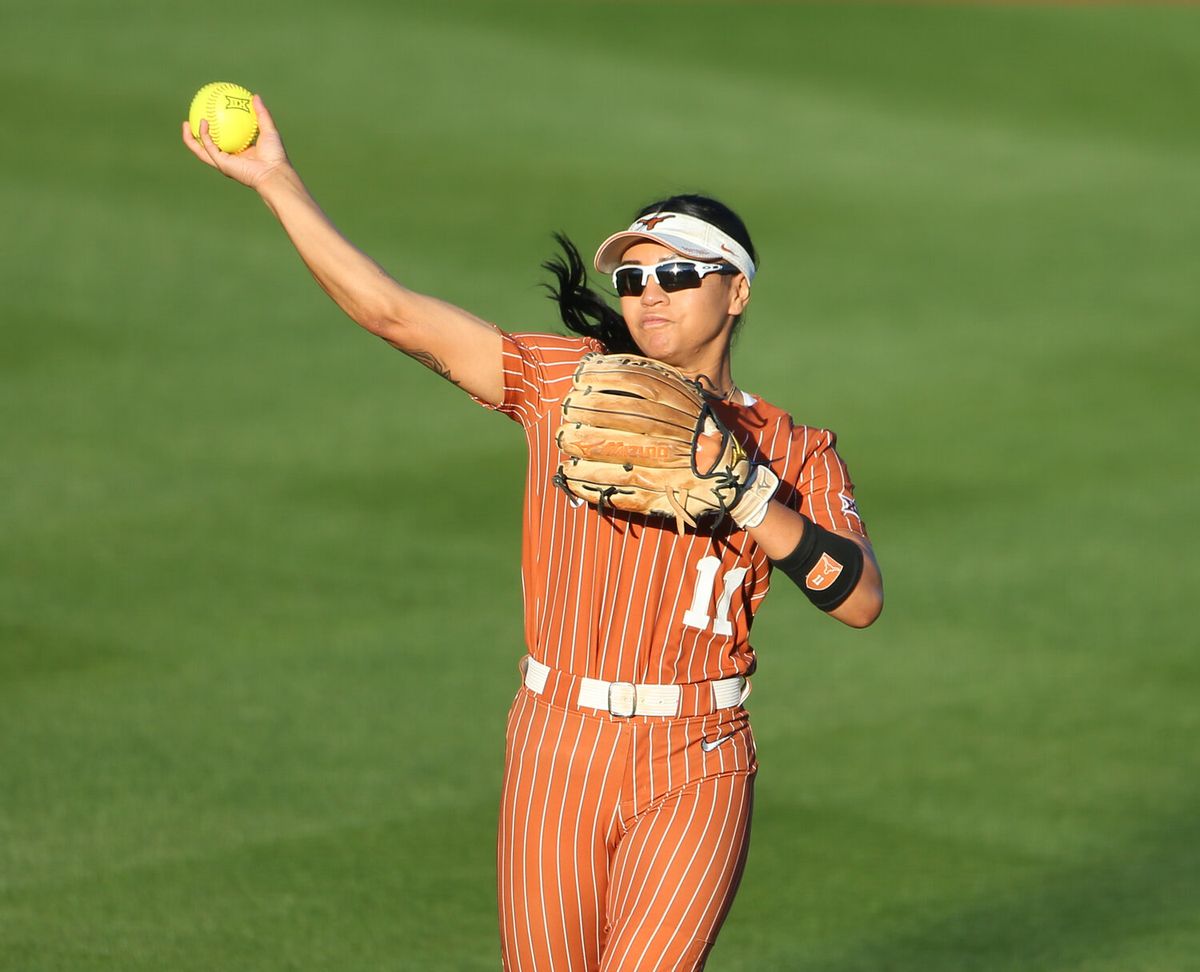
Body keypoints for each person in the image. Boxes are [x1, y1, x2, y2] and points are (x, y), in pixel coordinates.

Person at [183, 95, 883, 971]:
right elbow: (393, 313)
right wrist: (275, 180)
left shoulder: (791, 449)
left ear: (736, 291)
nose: (648, 295)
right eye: (632, 280)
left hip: (699, 757)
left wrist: (749, 499)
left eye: (678, 275)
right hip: (561, 741)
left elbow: (860, 599)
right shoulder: (565, 382)